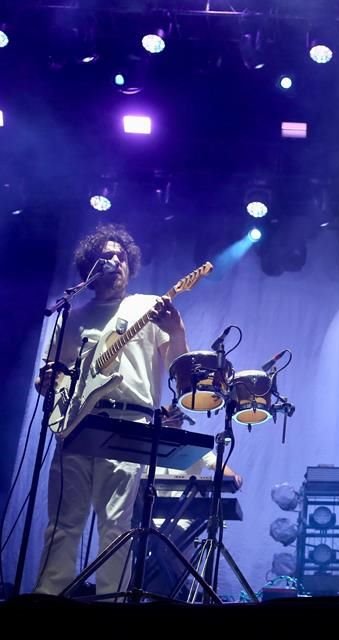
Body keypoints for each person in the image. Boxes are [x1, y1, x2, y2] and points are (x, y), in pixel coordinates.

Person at [34, 224, 189, 596]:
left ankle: (112, 599)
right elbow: (51, 377)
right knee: (62, 523)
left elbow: (181, 371)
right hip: (75, 424)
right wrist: (51, 385)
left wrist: (177, 330)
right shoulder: (71, 316)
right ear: (91, 264)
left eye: (121, 256)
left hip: (128, 423)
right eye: (107, 255)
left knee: (116, 524)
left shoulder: (147, 307)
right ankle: (46, 595)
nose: (116, 261)